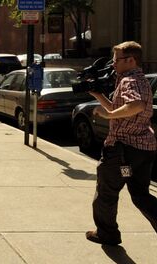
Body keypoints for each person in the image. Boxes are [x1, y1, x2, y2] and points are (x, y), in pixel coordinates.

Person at [86, 41, 157, 245]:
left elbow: (135, 105)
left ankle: (107, 234)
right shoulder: (138, 79)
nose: (113, 64)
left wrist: (108, 115)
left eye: (116, 60)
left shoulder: (129, 81)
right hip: (143, 148)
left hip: (123, 149)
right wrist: (98, 96)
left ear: (131, 60)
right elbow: (123, 109)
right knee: (141, 195)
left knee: (106, 193)